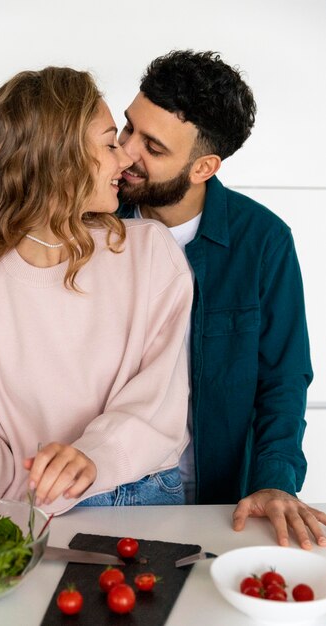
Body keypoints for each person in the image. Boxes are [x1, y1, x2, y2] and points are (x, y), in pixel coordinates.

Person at [0, 66, 193, 514]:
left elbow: (157, 403)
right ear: (59, 162)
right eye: (108, 143)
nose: (124, 159)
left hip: (144, 495)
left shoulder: (150, 255)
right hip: (32, 509)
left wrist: (93, 457)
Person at [117, 49, 326, 549]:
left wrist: (274, 480)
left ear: (203, 167)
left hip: (220, 505)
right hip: (111, 496)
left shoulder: (264, 241)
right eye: (127, 129)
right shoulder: (92, 226)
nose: (125, 153)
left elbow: (282, 377)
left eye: (153, 147)